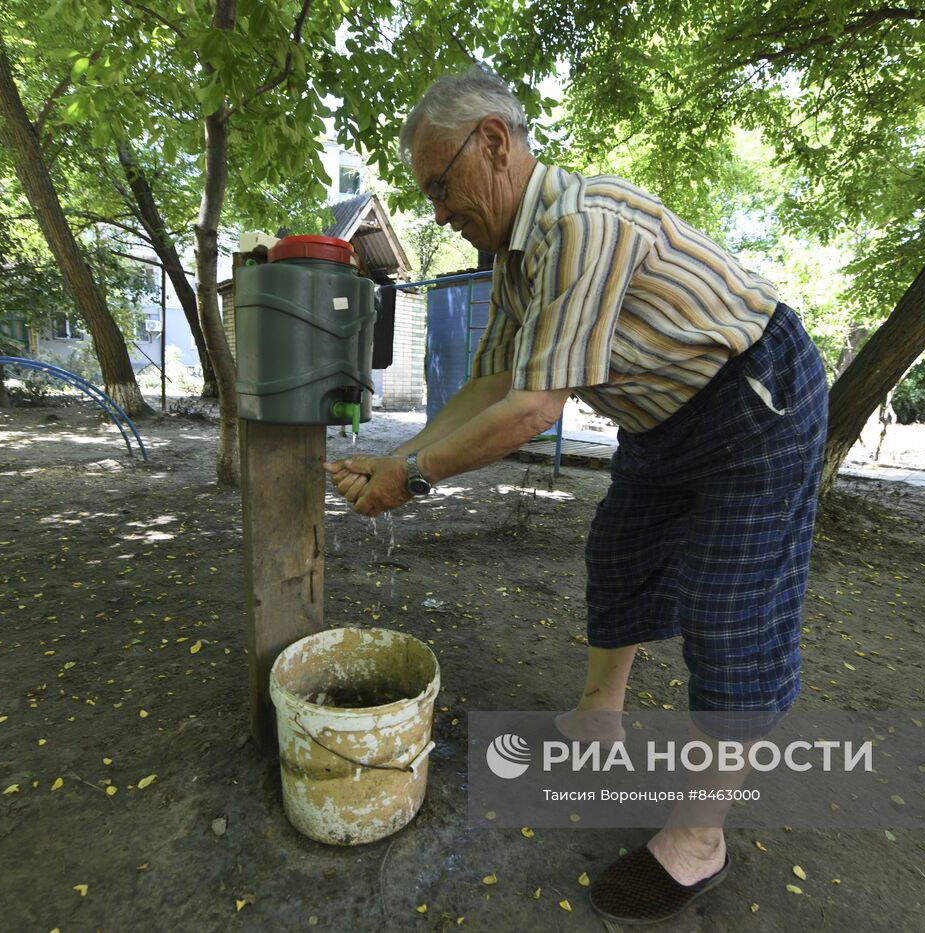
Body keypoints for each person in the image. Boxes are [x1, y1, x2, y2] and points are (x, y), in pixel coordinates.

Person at [323, 66, 827, 925]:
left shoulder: (583, 222)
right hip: (664, 419)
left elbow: (531, 410)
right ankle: (599, 718)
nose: (437, 210)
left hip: (754, 400)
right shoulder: (515, 259)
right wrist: (391, 457)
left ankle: (702, 837)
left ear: (494, 141)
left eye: (440, 184)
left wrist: (412, 479)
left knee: (730, 609)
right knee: (621, 550)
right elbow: (490, 380)